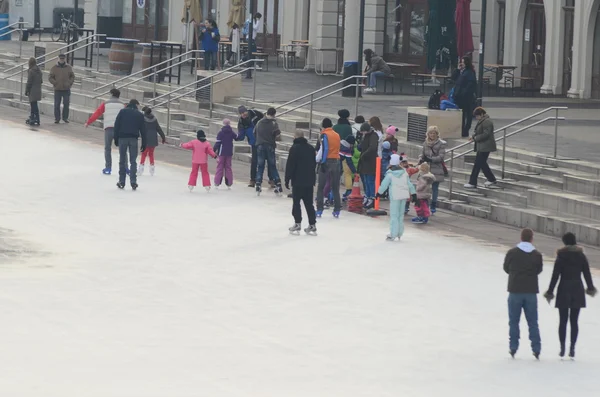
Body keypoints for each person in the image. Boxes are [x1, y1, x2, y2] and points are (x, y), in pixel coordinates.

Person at [543, 233, 597, 359]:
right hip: (577, 289)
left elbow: (555, 275)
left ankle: (562, 348)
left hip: (563, 289)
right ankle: (572, 348)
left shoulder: (561, 256)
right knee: (574, 321)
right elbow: (587, 273)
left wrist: (550, 291)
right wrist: (590, 287)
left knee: (563, 320)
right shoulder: (581, 256)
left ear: (564, 242)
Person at [503, 228, 544, 359]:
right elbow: (539, 270)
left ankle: (513, 347)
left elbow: (506, 267)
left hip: (515, 290)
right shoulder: (537, 255)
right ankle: (536, 348)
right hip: (531, 292)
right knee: (533, 322)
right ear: (532, 238)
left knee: (514, 321)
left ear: (521, 237)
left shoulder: (512, 253)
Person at [376, 154, 416, 241]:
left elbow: (384, 185)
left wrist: (379, 193)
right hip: (404, 196)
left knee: (394, 215)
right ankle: (399, 233)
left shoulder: (390, 174)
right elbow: (409, 184)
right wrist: (413, 193)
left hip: (395, 196)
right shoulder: (404, 172)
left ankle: (393, 234)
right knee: (400, 215)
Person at [85, 88, 125, 175]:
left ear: (111, 94)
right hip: (120, 129)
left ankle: (108, 168)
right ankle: (125, 168)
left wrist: (88, 122)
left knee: (108, 148)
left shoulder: (106, 104)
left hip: (109, 128)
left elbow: (97, 113)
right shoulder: (122, 105)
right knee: (122, 149)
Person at [286, 130, 317, 235]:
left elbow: (290, 165)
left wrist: (287, 179)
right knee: (309, 204)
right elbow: (313, 164)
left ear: (295, 137)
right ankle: (312, 224)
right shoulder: (310, 148)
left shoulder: (294, 148)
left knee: (296, 203)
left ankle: (297, 223)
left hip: (298, 180)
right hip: (309, 180)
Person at [113, 99, 147, 190]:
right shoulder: (139, 114)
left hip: (122, 138)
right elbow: (143, 130)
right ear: (136, 104)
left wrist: (115, 138)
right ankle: (133, 181)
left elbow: (116, 125)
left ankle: (122, 181)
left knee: (122, 160)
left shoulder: (122, 112)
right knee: (133, 161)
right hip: (133, 139)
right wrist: (144, 143)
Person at [315, 118, 342, 218]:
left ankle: (319, 209)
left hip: (327, 161)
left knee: (321, 187)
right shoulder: (336, 135)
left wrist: (321, 161)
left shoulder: (324, 135)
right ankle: (337, 209)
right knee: (335, 187)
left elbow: (324, 148)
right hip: (336, 160)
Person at [465, 107, 497, 189]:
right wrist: (473, 137)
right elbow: (479, 131)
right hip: (482, 146)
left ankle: (473, 182)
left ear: (482, 114)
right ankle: (491, 179)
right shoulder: (482, 121)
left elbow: (486, 134)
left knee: (478, 164)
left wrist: (475, 138)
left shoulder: (487, 122)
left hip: (485, 146)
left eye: (477, 116)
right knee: (482, 164)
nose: (476, 118)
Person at [254, 107, 282, 195]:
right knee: (272, 166)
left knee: (260, 166)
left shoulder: (259, 122)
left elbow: (254, 132)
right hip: (270, 146)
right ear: (274, 114)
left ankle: (258, 183)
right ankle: (278, 183)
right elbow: (278, 135)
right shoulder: (274, 123)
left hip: (260, 146)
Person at [421, 126, 447, 213]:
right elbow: (422, 154)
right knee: (425, 187)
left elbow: (441, 156)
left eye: (434, 133)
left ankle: (433, 204)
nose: (432, 135)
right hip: (427, 168)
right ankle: (425, 204)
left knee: (435, 188)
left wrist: (432, 159)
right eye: (431, 133)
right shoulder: (425, 143)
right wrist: (421, 159)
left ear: (437, 134)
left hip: (437, 168)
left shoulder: (441, 143)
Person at [452, 56, 477, 137]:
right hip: (459, 96)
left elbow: (471, 84)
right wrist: (457, 69)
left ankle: (465, 129)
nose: (461, 63)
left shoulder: (470, 72)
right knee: (461, 114)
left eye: (463, 62)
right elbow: (453, 78)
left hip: (466, 97)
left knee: (468, 113)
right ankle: (462, 129)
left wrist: (464, 93)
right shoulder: (461, 72)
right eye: (461, 62)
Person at [139, 106, 166, 176]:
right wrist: (163, 137)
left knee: (144, 153)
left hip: (146, 138)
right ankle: (152, 168)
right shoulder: (154, 119)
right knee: (151, 154)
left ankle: (141, 168)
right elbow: (159, 129)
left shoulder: (143, 119)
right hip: (153, 138)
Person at [48, 53, 75, 124]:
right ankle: (57, 118)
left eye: (63, 59)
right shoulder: (54, 68)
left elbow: (72, 76)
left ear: (65, 59)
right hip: (57, 89)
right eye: (61, 58)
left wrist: (69, 83)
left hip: (66, 89)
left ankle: (65, 118)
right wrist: (55, 82)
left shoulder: (69, 67)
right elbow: (50, 77)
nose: (62, 60)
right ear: (58, 59)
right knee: (57, 104)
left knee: (66, 104)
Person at [358, 122, 378, 209]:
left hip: (370, 161)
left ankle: (372, 197)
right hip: (364, 162)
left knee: (370, 180)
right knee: (365, 180)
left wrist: (364, 154)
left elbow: (373, 147)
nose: (363, 133)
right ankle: (367, 196)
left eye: (363, 131)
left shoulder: (373, 136)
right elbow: (362, 146)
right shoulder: (365, 136)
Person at [213, 118, 238, 188]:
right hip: (229, 152)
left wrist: (213, 150)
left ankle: (217, 182)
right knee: (228, 167)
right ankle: (229, 183)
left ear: (223, 124)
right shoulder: (231, 132)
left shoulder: (221, 133)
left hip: (221, 153)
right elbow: (236, 138)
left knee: (220, 167)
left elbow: (217, 143)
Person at [25, 57, 42, 126]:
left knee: (33, 105)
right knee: (35, 105)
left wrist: (27, 91)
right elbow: (41, 81)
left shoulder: (31, 71)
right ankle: (35, 118)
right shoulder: (39, 70)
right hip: (38, 90)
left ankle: (34, 118)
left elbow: (29, 82)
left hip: (32, 90)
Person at [340, 135, 357, 201]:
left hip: (330, 162)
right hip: (338, 165)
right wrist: (355, 172)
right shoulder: (347, 149)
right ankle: (349, 191)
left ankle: (328, 196)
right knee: (347, 175)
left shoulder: (339, 143)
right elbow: (349, 162)